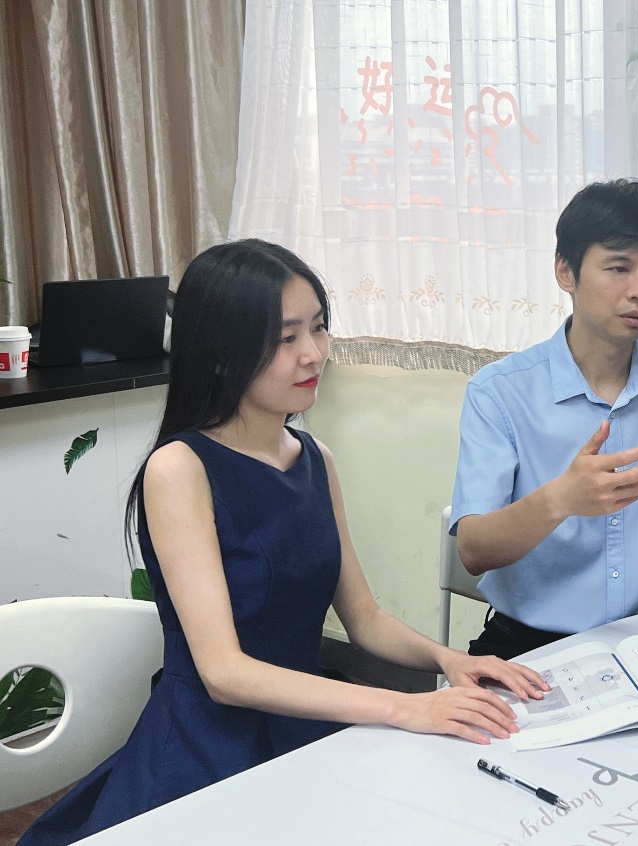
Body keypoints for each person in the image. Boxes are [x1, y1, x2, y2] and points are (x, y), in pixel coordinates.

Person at [19, 240, 548, 846]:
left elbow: (366, 620)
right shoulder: (180, 468)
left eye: (318, 328)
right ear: (222, 355)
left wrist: (449, 660)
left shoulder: (316, 458)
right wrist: (405, 707)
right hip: (209, 745)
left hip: (304, 718)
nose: (313, 353)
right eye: (285, 338)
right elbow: (224, 673)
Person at [449, 179, 638, 660]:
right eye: (618, 268)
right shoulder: (499, 392)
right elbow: (473, 551)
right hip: (529, 645)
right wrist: (562, 499)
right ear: (566, 271)